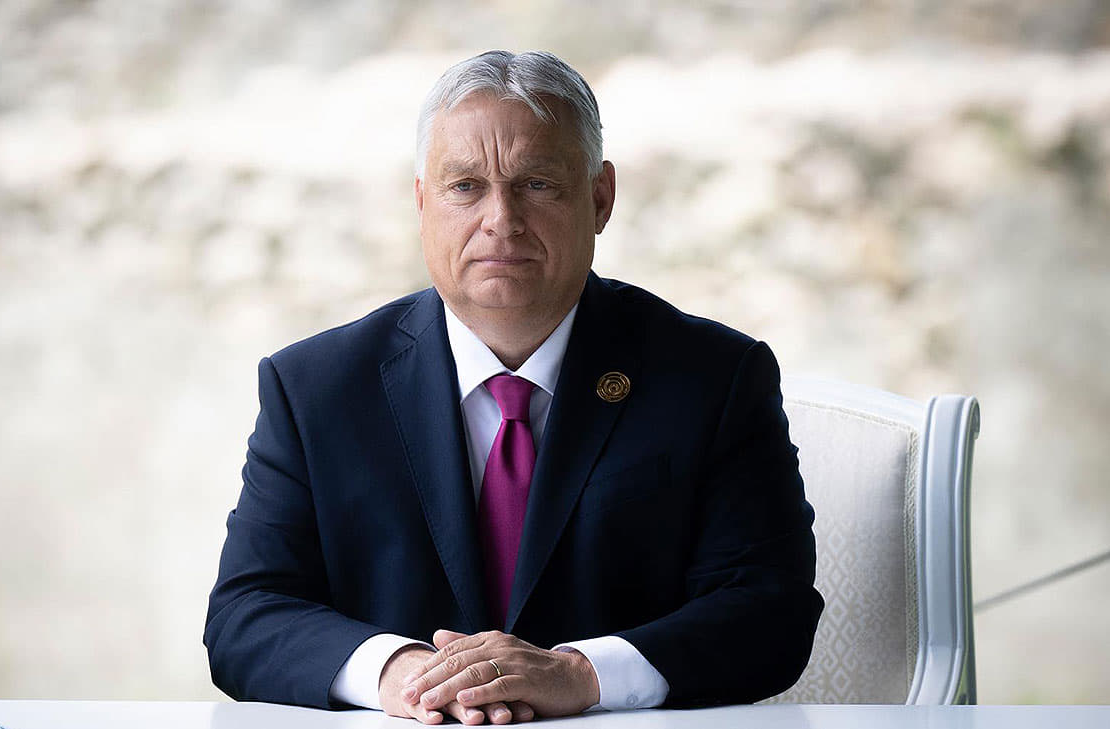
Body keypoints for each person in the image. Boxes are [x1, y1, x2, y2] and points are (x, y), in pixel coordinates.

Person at [204, 50, 823, 725]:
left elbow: (771, 609)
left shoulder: (715, 378)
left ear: (600, 198)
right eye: (466, 186)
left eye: (537, 183)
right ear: (421, 202)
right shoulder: (315, 389)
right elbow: (245, 615)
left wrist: (582, 674)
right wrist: (403, 673)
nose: (501, 218)